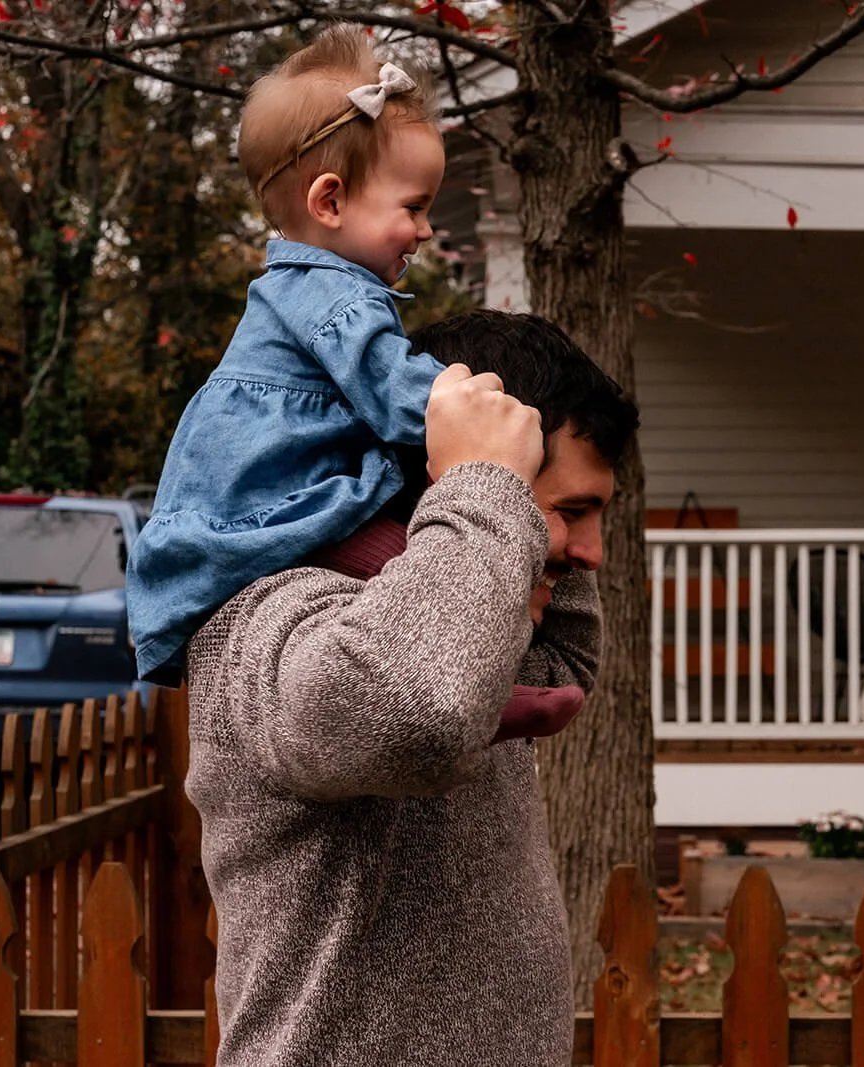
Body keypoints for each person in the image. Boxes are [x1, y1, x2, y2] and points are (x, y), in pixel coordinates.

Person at [185, 309, 639, 1066]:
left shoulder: (471, 614)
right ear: (453, 479)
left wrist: (514, 514)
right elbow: (419, 713)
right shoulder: (270, 624)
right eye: (571, 512)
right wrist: (486, 481)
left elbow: (565, 667)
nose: (592, 553)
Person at [128, 23, 449, 687]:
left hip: (272, 497)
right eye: (414, 207)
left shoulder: (299, 286)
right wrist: (465, 400)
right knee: (416, 578)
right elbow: (397, 395)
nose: (424, 230)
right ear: (329, 200)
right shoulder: (333, 295)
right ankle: (476, 693)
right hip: (284, 503)